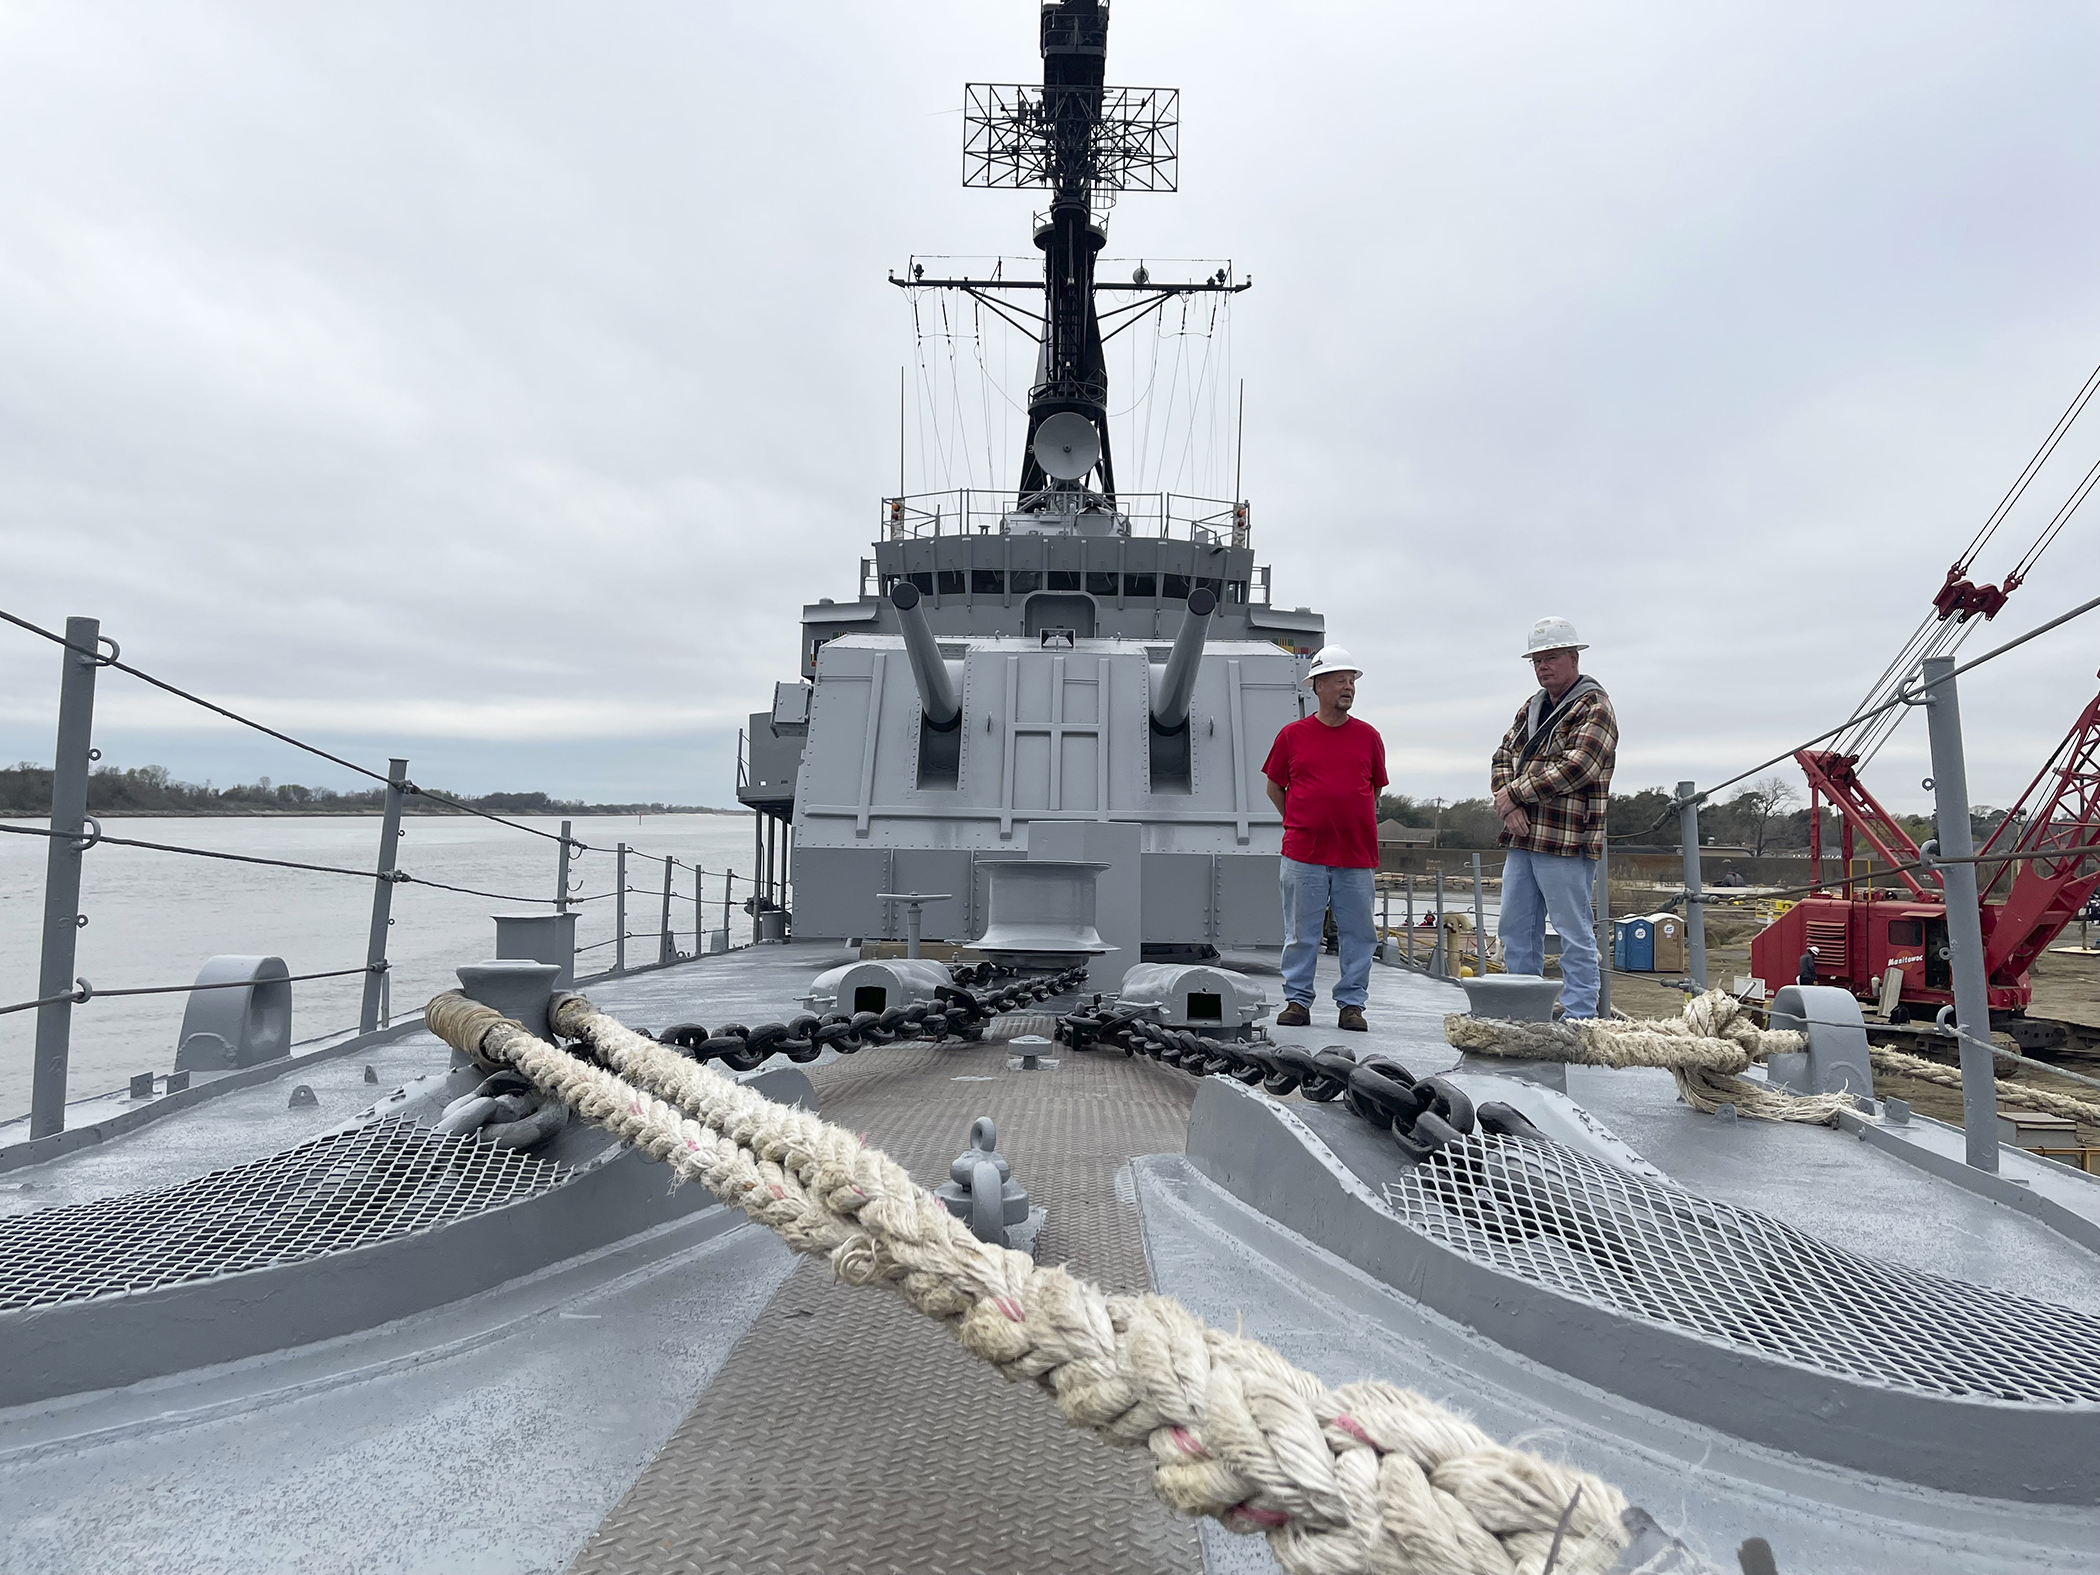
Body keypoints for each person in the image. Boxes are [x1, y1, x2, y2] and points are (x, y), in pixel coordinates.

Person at [1490, 617, 1618, 1019]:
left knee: (1573, 930)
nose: (1543, 667)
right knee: (1515, 927)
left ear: (1573, 657)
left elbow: (1579, 766)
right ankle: (1523, 1007)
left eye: (1551, 658)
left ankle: (1581, 1013)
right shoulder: (1531, 708)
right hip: (1523, 838)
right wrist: (1509, 804)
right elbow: (1502, 756)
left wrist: (1512, 794)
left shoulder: (1595, 707)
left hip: (1567, 841)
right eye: (1537, 660)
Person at [1263, 645, 1388, 1030]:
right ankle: (1297, 1001)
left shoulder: (1369, 737)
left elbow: (1374, 790)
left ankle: (1352, 1005)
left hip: (1355, 855)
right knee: (1300, 932)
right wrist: (1302, 822)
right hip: (1304, 854)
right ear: (1317, 686)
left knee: (1360, 934)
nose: (1348, 687)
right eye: (1339, 681)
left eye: (1351, 681)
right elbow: (1274, 787)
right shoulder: (1292, 736)